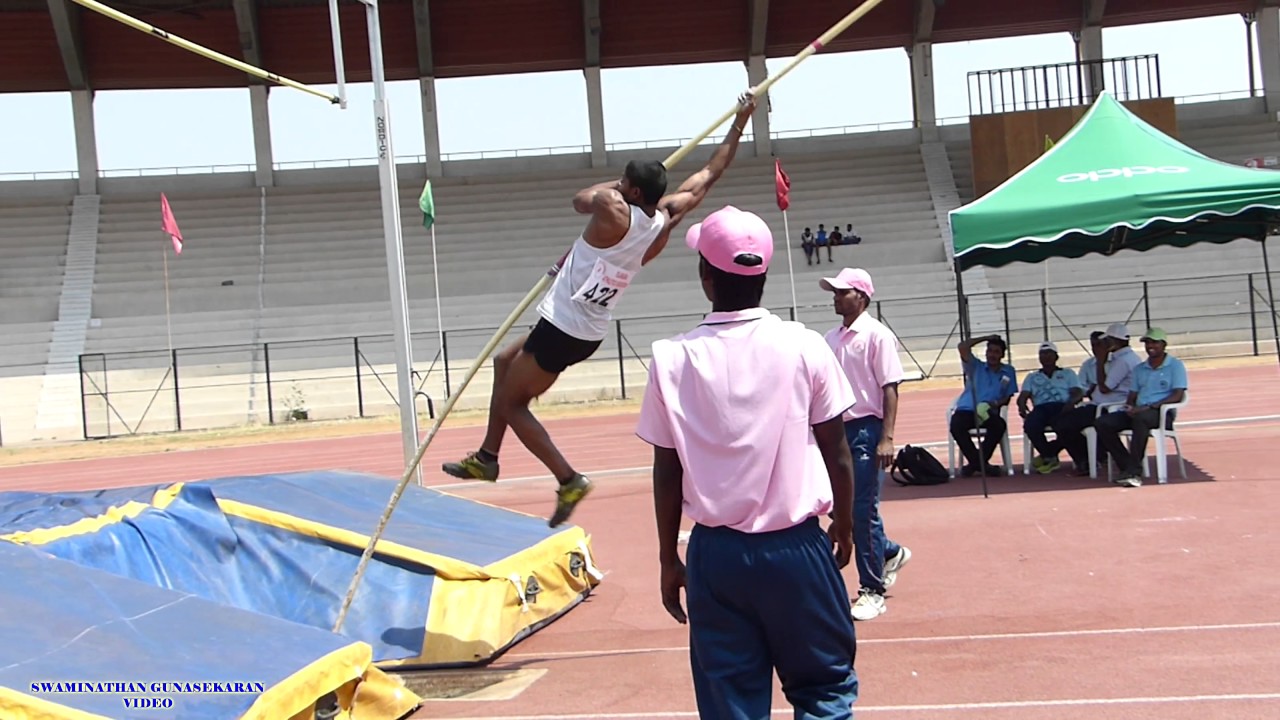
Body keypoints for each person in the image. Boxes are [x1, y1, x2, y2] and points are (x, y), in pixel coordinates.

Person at [442, 93, 758, 528]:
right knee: (502, 362)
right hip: (586, 329)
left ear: (629, 189)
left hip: (563, 327)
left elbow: (580, 199)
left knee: (514, 405)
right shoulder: (664, 219)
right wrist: (740, 122)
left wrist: (617, 183)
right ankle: (487, 458)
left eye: (625, 181)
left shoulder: (612, 207)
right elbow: (709, 173)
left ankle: (569, 479)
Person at [636, 206, 860, 719]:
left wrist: (669, 556)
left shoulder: (671, 358)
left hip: (716, 556)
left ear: (705, 277)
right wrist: (844, 524)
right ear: (764, 273)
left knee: (730, 703)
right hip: (797, 546)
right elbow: (838, 452)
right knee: (824, 689)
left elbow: (666, 471)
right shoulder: (805, 346)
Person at [821, 267, 911, 622]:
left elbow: (890, 387)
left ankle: (872, 589)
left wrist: (886, 437)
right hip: (836, 430)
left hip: (865, 429)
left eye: (842, 291)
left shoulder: (877, 336)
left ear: (861, 296)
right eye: (834, 291)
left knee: (862, 510)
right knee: (838, 507)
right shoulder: (830, 338)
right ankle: (887, 552)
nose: (835, 297)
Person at [1094, 327, 1188, 487]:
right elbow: (1132, 395)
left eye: (1154, 342)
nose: (1150, 346)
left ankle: (1134, 472)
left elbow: (1178, 395)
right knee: (1102, 423)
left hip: (1161, 413)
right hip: (1139, 411)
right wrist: (1129, 407)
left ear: (1163, 344)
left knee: (1141, 419)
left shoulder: (1175, 365)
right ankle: (1127, 464)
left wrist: (1150, 406)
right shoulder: (1140, 368)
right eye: (1147, 343)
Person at [949, 334, 1018, 476]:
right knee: (956, 426)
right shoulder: (976, 366)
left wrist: (995, 403)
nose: (992, 355)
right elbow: (962, 346)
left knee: (999, 425)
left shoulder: (1009, 371)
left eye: (996, 352)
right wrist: (986, 338)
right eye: (990, 351)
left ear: (1002, 355)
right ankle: (982, 465)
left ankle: (974, 465)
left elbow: (1007, 397)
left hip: (988, 411)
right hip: (967, 409)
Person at [1018, 341, 1083, 474]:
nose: (1046, 357)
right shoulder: (1032, 377)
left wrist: (1071, 403)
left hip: (1062, 407)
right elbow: (1023, 395)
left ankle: (1048, 455)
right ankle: (1050, 455)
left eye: (1049, 353)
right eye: (1042, 354)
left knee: (1065, 427)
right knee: (1030, 425)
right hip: (1041, 408)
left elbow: (1078, 392)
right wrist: (1022, 405)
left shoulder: (1068, 373)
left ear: (1056, 356)